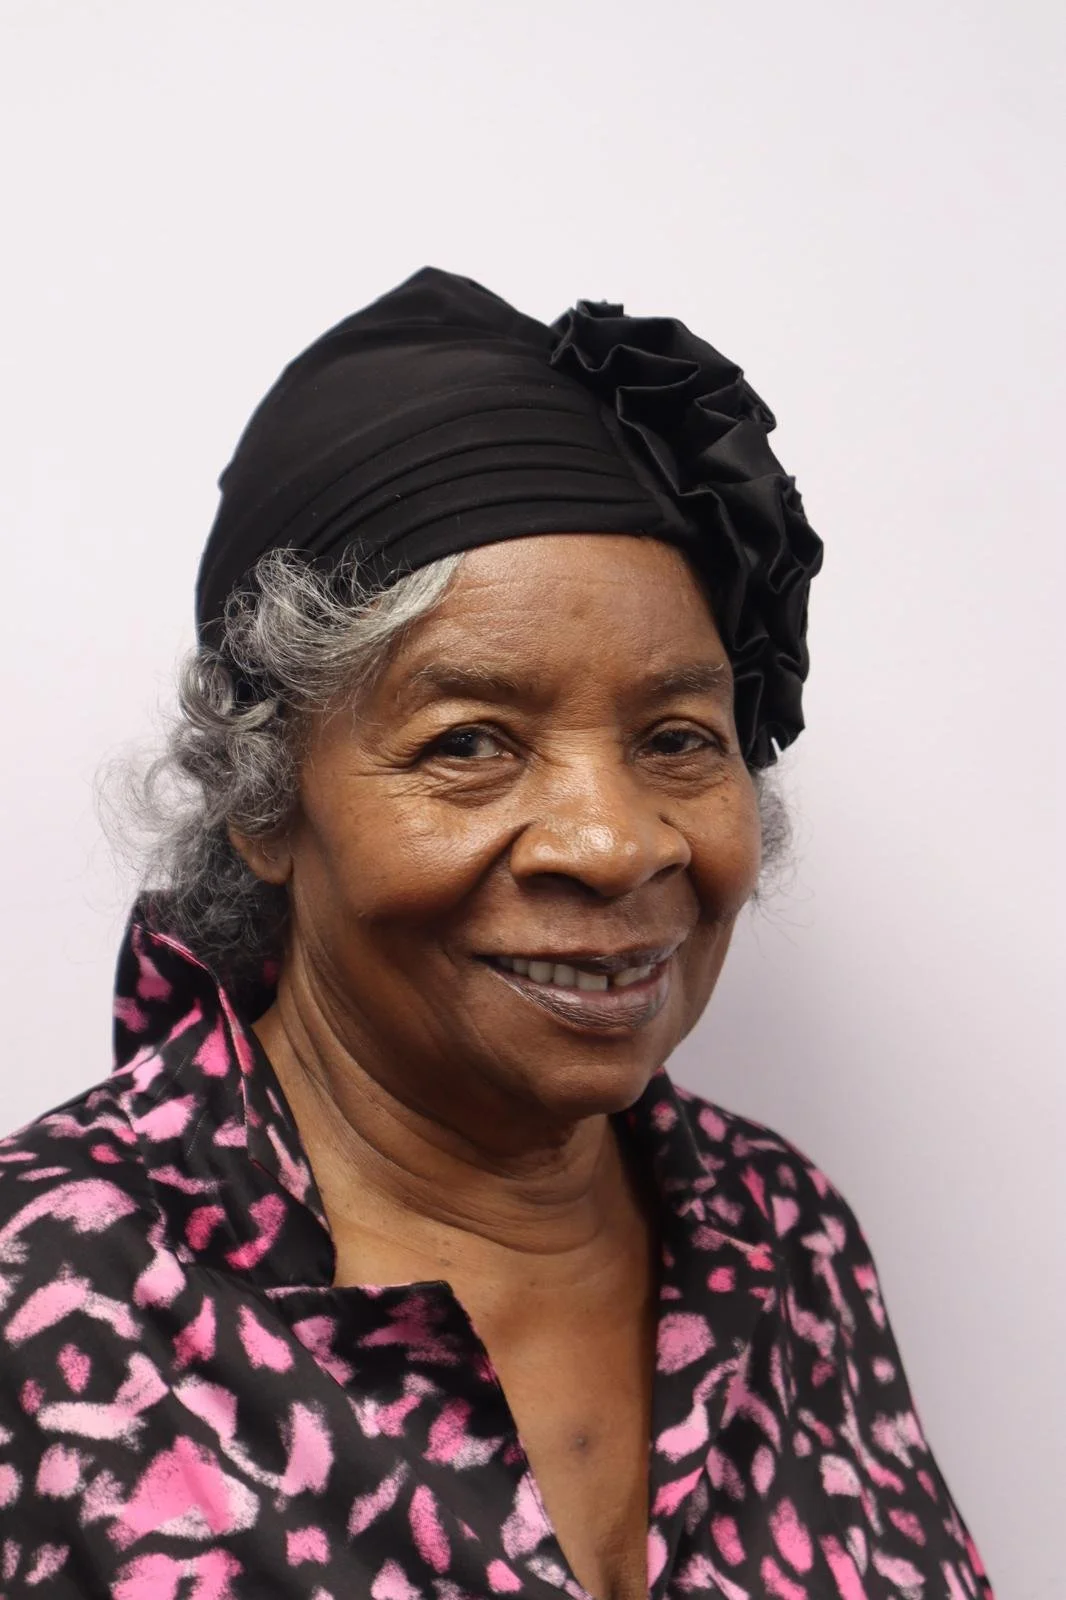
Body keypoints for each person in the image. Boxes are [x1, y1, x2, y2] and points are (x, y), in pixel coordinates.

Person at [0, 268, 993, 1599]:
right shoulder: (46, 1288)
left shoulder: (781, 1236)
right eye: (469, 743)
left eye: (676, 739)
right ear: (266, 800)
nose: (614, 843)